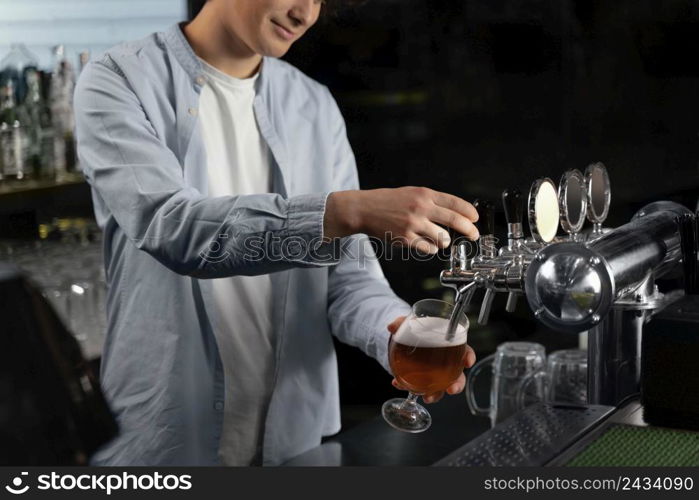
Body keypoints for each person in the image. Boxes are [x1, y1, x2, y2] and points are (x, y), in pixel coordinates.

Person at [74, 0, 479, 466]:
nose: (306, 13)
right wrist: (343, 211)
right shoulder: (118, 79)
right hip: (165, 439)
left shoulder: (313, 104)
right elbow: (172, 227)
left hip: (297, 442)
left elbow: (349, 279)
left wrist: (387, 331)